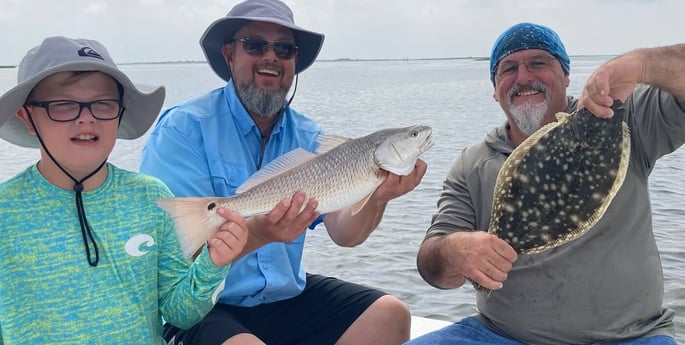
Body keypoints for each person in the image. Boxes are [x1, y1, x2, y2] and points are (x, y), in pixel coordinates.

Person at [138, 0, 427, 344]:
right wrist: (258, 232)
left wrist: (378, 197)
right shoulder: (183, 130)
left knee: (389, 315)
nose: (271, 57)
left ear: (294, 62)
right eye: (255, 45)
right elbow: (176, 257)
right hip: (204, 303)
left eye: (285, 48)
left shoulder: (310, 137)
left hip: (285, 298)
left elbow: (345, 235)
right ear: (229, 54)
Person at [408, 22, 685, 345]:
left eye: (539, 63)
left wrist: (639, 65)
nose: (524, 77)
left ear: (567, 76)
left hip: (629, 337)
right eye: (508, 68)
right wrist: (454, 251)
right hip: (499, 334)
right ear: (495, 89)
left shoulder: (622, 117)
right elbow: (432, 265)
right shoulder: (473, 164)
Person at [0, 36, 248, 344]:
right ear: (28, 117)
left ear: (120, 113)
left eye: (103, 104)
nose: (86, 117)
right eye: (63, 105)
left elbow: (179, 312)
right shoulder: (5, 211)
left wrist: (213, 262)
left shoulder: (150, 198)